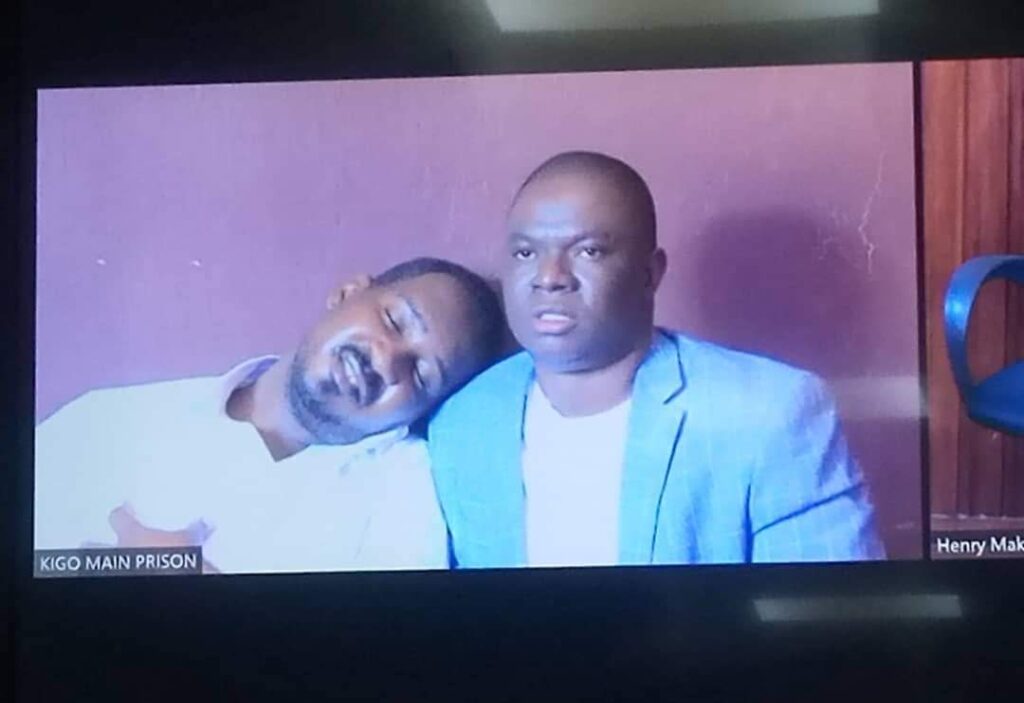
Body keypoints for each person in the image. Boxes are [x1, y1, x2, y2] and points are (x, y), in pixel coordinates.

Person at [428, 151, 885, 567]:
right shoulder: (462, 421)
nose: (549, 277)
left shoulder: (770, 412)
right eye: (526, 252)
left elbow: (822, 616)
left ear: (650, 274)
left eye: (588, 251)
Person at [35, 257, 506, 574]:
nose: (385, 360)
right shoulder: (108, 420)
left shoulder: (404, 498)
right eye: (394, 320)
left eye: (421, 374)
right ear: (346, 294)